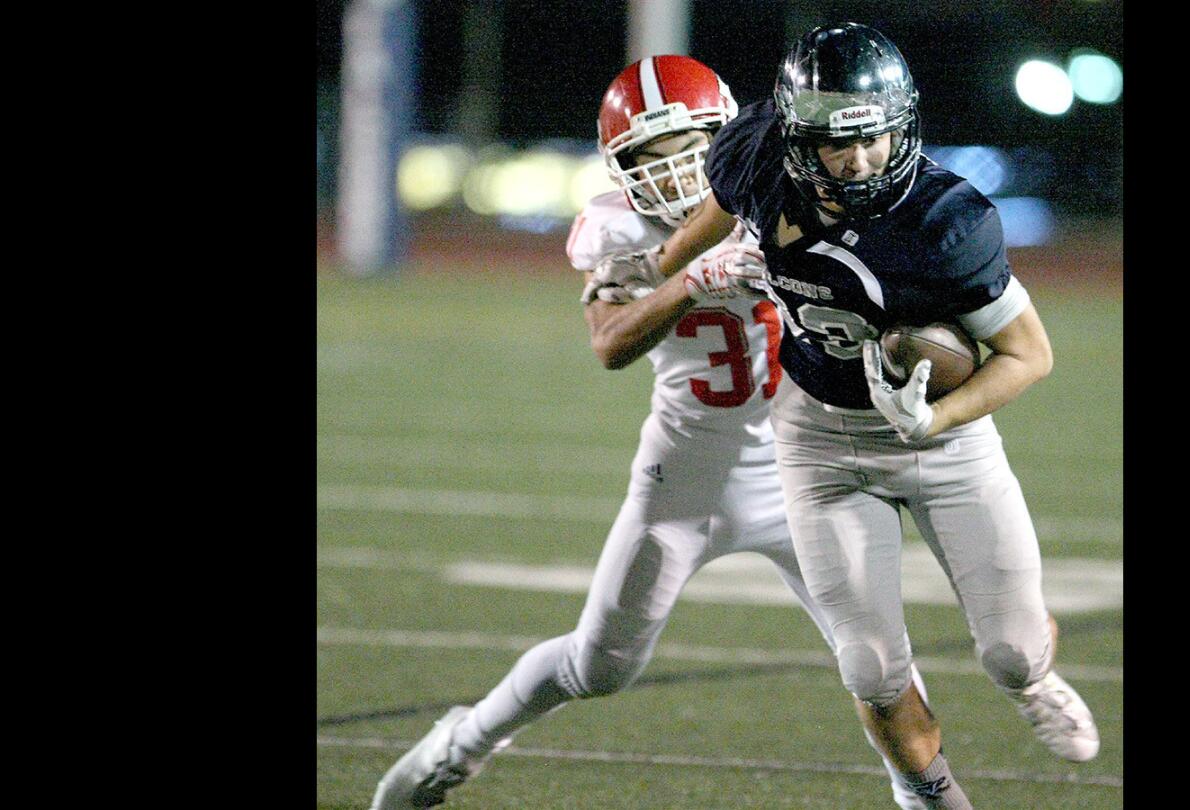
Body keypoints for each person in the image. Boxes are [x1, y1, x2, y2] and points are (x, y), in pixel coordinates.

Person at [371, 54, 933, 810]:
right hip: (686, 476)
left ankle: (927, 795)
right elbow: (608, 342)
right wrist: (691, 281)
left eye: (689, 148)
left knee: (883, 669)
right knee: (600, 666)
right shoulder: (617, 229)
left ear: (728, 136)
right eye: (650, 157)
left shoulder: (789, 192)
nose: (673, 174)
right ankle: (461, 743)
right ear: (619, 167)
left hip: (808, 470)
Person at [591, 24, 1100, 810]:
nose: (860, 159)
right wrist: (667, 267)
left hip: (944, 438)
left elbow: (1031, 356)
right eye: (837, 144)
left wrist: (935, 418)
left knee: (1009, 652)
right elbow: (722, 203)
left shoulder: (949, 223)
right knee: (870, 666)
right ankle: (933, 796)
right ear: (795, 138)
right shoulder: (752, 151)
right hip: (820, 434)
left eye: (875, 138)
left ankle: (1034, 680)